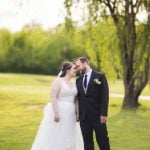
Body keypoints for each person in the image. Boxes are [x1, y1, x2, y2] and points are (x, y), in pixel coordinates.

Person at [31, 62, 84, 150]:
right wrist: (56, 113)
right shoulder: (59, 81)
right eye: (74, 69)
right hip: (60, 110)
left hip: (71, 113)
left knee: (69, 133)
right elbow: (53, 97)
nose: (76, 71)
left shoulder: (74, 83)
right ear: (67, 70)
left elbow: (76, 100)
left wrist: (78, 113)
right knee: (57, 133)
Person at [75, 57, 110, 150]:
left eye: (78, 66)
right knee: (87, 142)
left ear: (85, 63)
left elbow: (104, 96)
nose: (77, 69)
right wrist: (78, 114)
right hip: (84, 117)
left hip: (98, 116)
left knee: (103, 140)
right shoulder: (78, 80)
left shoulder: (100, 76)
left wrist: (103, 114)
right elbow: (78, 98)